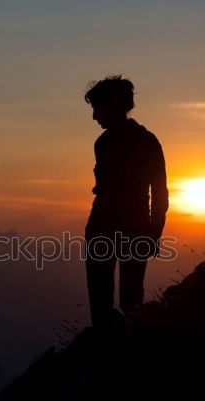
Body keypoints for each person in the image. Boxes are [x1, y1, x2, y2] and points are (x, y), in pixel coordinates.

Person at [83, 75, 169, 334]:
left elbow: (159, 191)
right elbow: (160, 192)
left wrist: (153, 232)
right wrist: (154, 231)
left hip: (111, 223)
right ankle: (124, 346)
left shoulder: (112, 142)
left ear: (113, 106)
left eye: (97, 109)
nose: (95, 117)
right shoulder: (143, 140)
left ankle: (109, 350)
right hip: (131, 224)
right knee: (128, 297)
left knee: (105, 298)